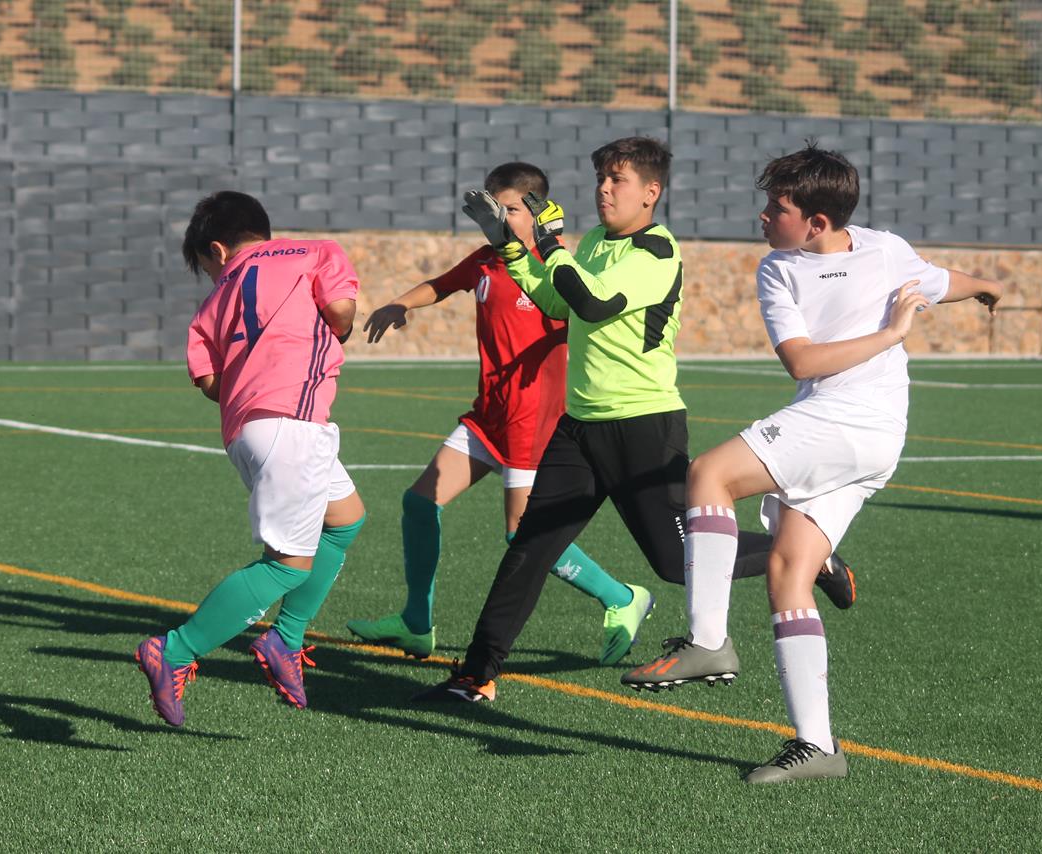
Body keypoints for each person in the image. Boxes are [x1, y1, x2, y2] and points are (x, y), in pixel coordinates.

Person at [415, 137, 856, 703]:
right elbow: (558, 302)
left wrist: (547, 243)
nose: (603, 189)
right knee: (529, 548)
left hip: (645, 427)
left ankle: (810, 557)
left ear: (651, 192)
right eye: (601, 178)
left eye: (617, 180)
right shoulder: (595, 242)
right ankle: (475, 676)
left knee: (677, 563)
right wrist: (512, 250)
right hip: (579, 428)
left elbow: (596, 303)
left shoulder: (658, 250)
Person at [622, 143, 1003, 783]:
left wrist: (905, 327)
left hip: (845, 422)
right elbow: (938, 281)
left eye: (777, 207)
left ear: (817, 222)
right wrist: (985, 286)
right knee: (787, 571)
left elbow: (804, 360)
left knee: (708, 475)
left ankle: (707, 640)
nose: (765, 217)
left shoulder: (864, 253)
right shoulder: (792, 265)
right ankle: (817, 747)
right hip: (875, 439)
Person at [347, 162, 655, 667]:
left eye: (510, 209)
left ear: (536, 212)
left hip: (532, 419)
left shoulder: (557, 269)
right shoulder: (488, 260)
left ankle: (622, 596)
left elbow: (584, 316)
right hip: (489, 413)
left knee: (521, 532)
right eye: (494, 208)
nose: (500, 217)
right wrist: (402, 303)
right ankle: (416, 624)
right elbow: (442, 284)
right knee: (420, 503)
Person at [134, 190, 366, 722]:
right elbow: (340, 313)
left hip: (251, 429)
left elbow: (211, 382)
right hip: (293, 424)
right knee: (286, 565)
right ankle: (175, 650)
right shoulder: (316, 252)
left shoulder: (213, 301)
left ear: (218, 250)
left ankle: (286, 638)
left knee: (346, 519)